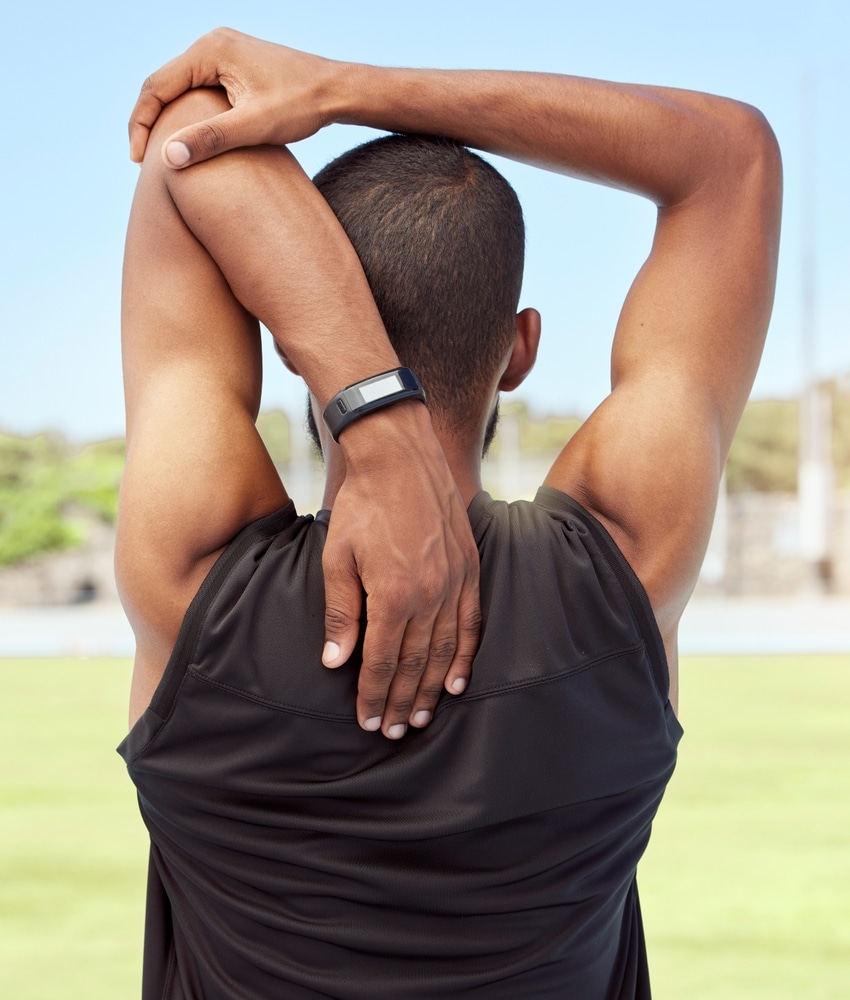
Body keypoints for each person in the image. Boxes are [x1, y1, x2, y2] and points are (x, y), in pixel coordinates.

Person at [117, 29, 782, 999]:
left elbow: (192, 120)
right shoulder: (625, 563)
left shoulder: (194, 577)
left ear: (280, 328)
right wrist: (350, 89)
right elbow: (730, 157)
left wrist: (366, 409)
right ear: (519, 348)